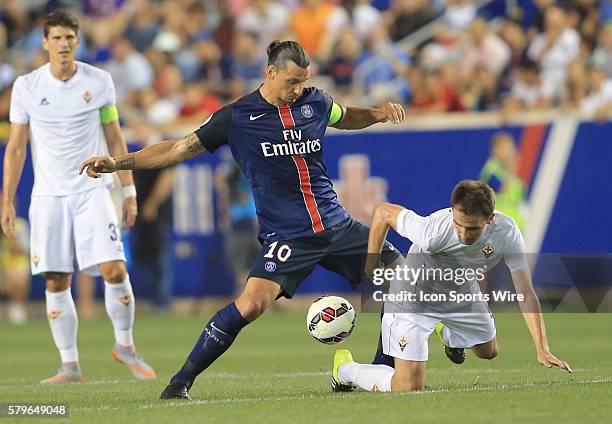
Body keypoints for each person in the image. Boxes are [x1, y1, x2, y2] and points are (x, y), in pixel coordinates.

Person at [80, 40, 406, 400]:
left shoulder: (316, 102)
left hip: (337, 225)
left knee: (398, 275)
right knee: (251, 304)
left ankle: (379, 370)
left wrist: (376, 114)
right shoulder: (236, 117)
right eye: (292, 82)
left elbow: (345, 117)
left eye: (303, 81)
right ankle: (180, 383)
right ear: (270, 72)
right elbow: (177, 148)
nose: (298, 90)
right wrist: (118, 162)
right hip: (288, 236)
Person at [1, 11, 155, 383]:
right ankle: (69, 364)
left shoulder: (100, 82)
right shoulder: (27, 87)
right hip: (49, 196)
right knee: (56, 279)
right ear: (45, 42)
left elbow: (115, 138)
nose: (64, 44)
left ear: (78, 40)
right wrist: (6, 198)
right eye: (57, 38)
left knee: (114, 268)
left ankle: (125, 345)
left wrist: (128, 190)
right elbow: (17, 147)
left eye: (70, 37)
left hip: (94, 190)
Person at [332, 180, 571, 393]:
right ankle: (345, 369)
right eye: (458, 225)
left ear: (491, 218)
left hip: (461, 291)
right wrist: (371, 263)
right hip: (414, 296)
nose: (463, 234)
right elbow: (383, 212)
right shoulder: (433, 231)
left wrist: (542, 348)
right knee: (407, 387)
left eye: (472, 228)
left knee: (488, 352)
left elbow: (526, 293)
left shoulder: (507, 233)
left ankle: (445, 332)